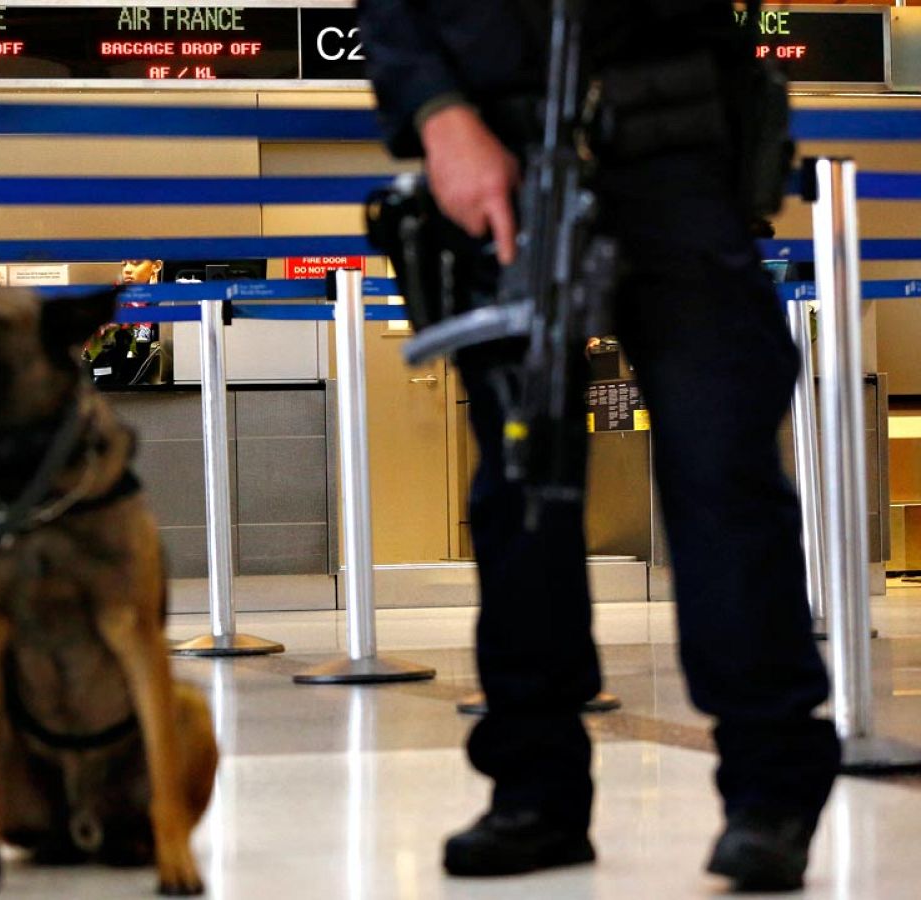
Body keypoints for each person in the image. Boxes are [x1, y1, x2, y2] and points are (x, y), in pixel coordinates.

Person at [358, 0, 840, 892]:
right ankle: (534, 790)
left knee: (723, 469)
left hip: (675, 138)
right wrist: (436, 112)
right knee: (522, 486)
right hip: (496, 141)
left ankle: (772, 790)